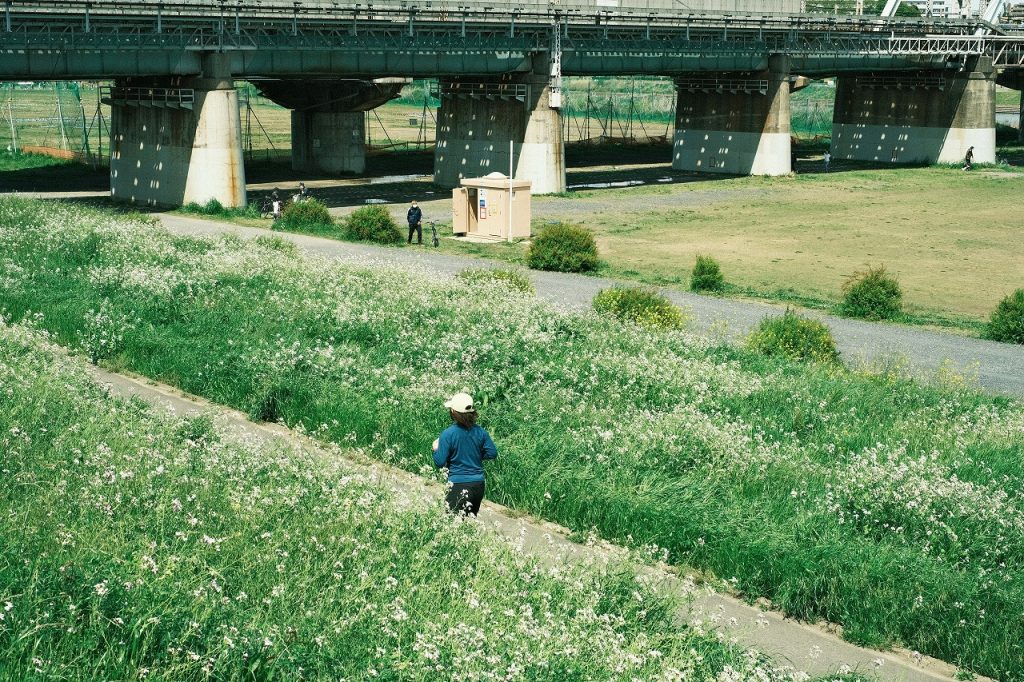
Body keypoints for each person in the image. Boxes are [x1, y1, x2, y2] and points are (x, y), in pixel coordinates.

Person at [432, 392, 497, 516]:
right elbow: (492, 453)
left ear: (452, 411)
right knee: (469, 524)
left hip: (458, 484)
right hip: (478, 485)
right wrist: (475, 455)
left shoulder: (448, 434)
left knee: (452, 524)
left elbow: (439, 462)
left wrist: (435, 449)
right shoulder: (481, 432)